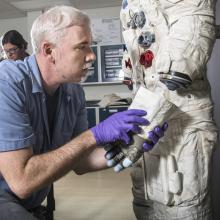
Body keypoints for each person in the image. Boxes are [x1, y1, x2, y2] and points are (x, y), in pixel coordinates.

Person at [0, 5, 167, 220]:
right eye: (82, 47)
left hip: (27, 201)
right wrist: (94, 135)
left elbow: (80, 161)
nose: (92, 56)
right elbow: (22, 181)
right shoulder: (7, 83)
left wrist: (131, 147)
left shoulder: (73, 92)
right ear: (49, 51)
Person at [106, 0, 218, 219]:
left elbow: (177, 76)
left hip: (181, 121)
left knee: (183, 207)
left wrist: (139, 130)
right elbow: (135, 42)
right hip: (146, 114)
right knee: (145, 204)